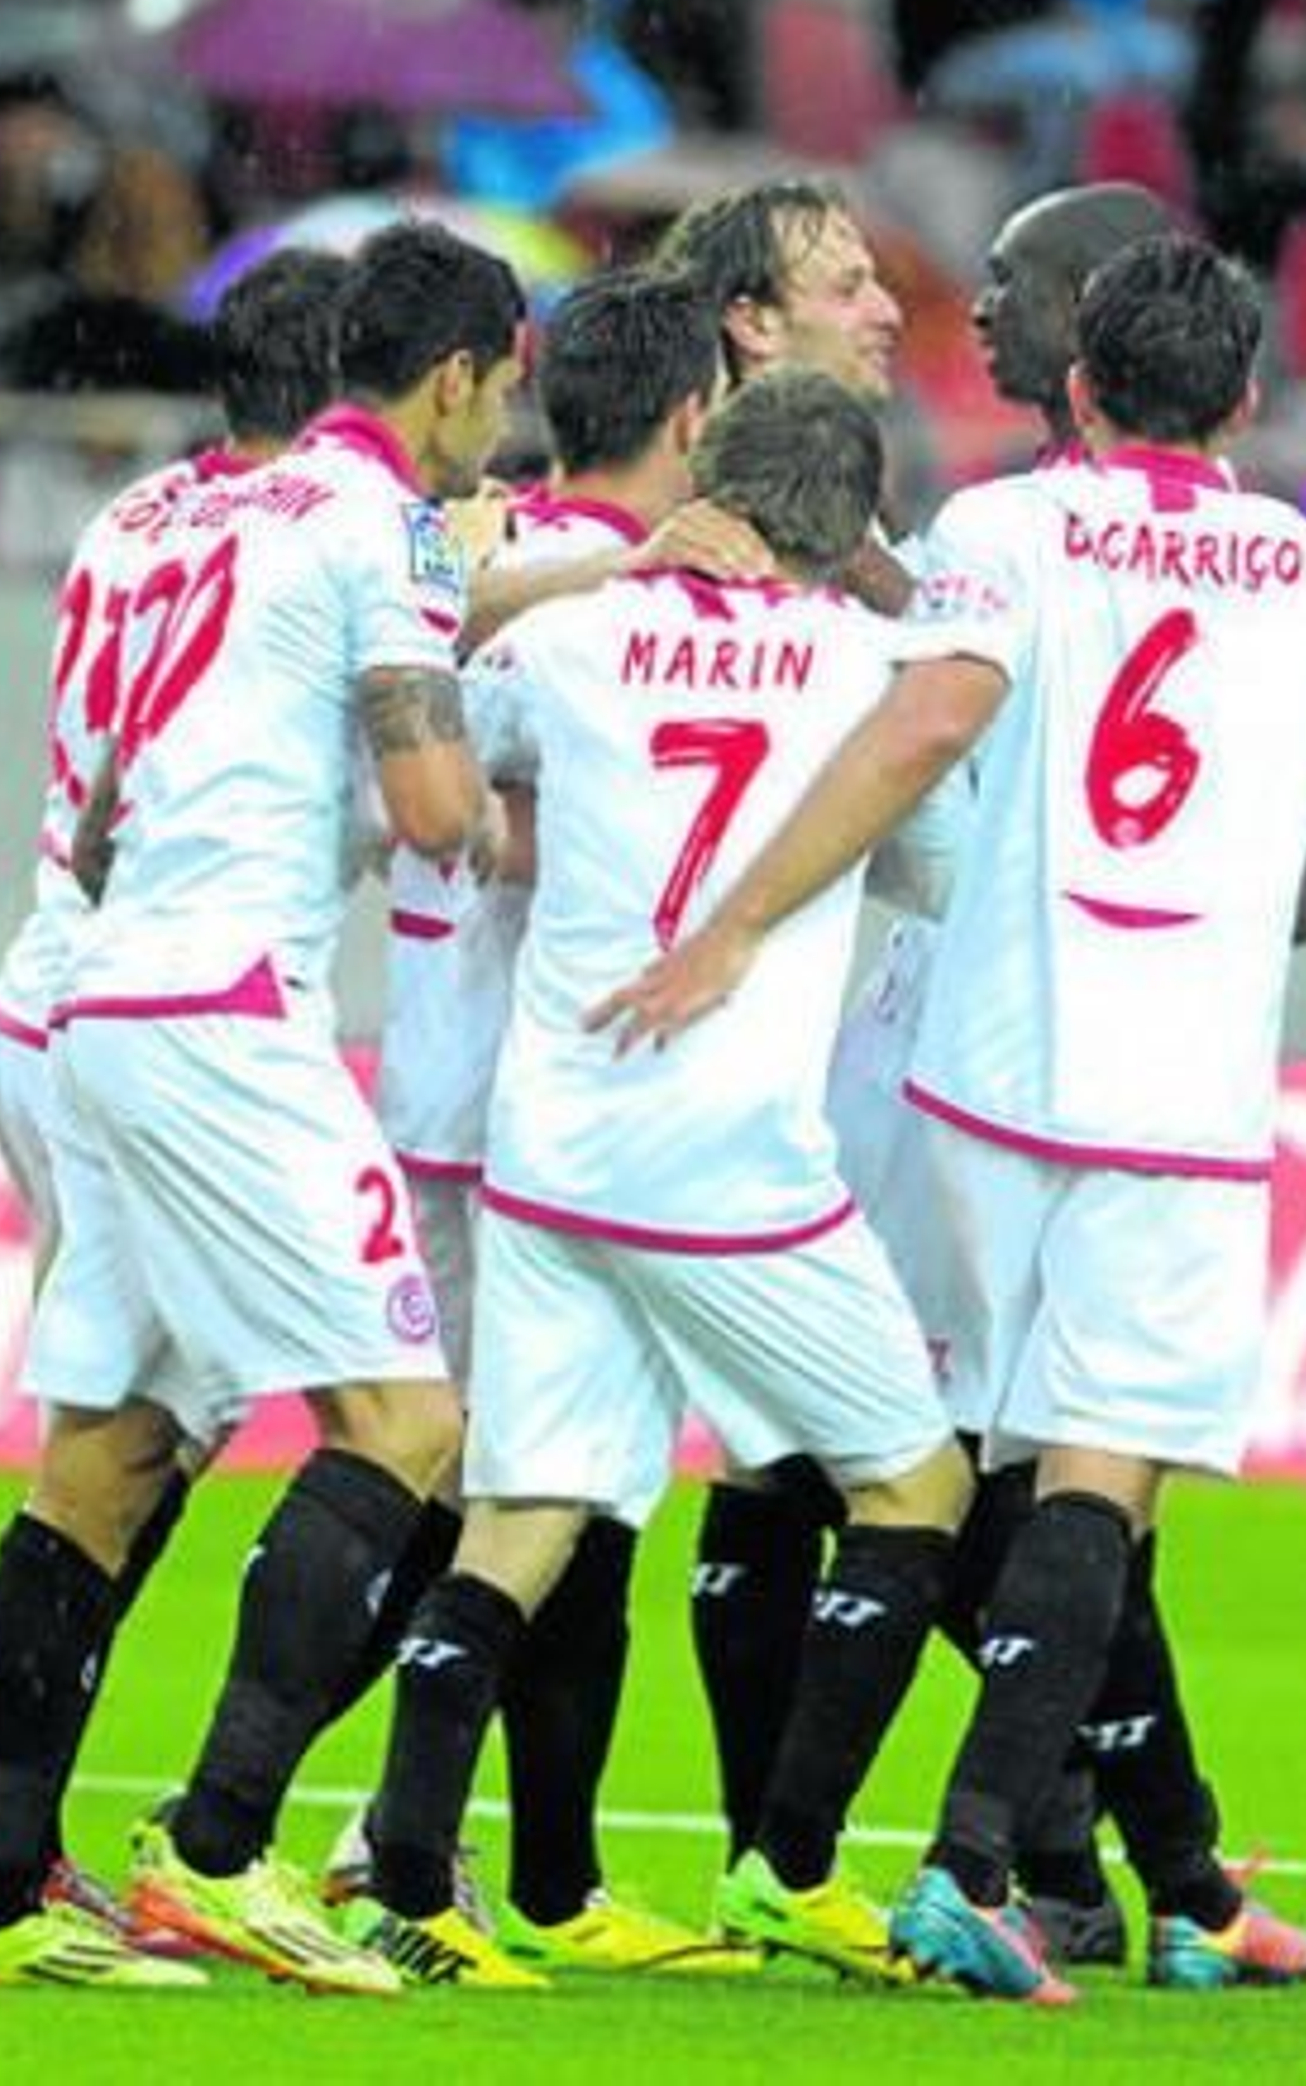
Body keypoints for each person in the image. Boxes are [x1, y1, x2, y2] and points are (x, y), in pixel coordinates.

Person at [592, 235, 1306, 2002]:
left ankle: (1159, 1882)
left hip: (974, 1080)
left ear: (1083, 391)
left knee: (962, 1474)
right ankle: (982, 1866)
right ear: (1247, 400)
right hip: (1175, 1093)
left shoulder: (1006, 529)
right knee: (1099, 1485)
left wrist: (735, 922)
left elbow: (924, 730)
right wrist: (1205, 918)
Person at [0, 219, 527, 1996]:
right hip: (226, 1011)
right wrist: (499, 809)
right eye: (504, 386)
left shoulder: (163, 516)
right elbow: (432, 813)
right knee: (407, 1422)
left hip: (90, 990)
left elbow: (112, 803)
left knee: (108, 1454)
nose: (502, 423)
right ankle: (218, 1847)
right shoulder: (380, 522)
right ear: (452, 379)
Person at [352, 367, 975, 1994]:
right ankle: (790, 1865)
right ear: (848, 521)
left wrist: (564, 609)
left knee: (523, 1514)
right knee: (916, 1487)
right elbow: (939, 869)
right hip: (729, 1165)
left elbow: (415, 708)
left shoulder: (570, 638)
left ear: (708, 474)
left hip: (552, 1146)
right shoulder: (864, 669)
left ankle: (407, 1876)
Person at [325, 266, 757, 1973]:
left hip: (454, 1088)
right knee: (534, 1502)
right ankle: (326, 1823)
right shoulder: (601, 596)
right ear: (693, 417)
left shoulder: (470, 557)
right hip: (540, 1104)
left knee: (505, 1496)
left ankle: (497, 1861)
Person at [0, 245, 350, 1956]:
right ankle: (7, 1846)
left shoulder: (138, 516)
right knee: (125, 1448)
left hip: (46, 987)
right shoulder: (320, 531)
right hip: (152, 1006)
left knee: (139, 1438)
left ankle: (6, 1815)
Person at [826, 179, 1174, 1967]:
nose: (978, 308)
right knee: (1037, 1463)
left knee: (978, 1461)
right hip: (989, 1031)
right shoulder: (1201, 543)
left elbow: (957, 714)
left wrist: (853, 563)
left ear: (1102, 312)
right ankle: (1115, 1857)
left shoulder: (1027, 529)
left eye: (1014, 282)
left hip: (994, 1043)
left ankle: (1067, 1850)